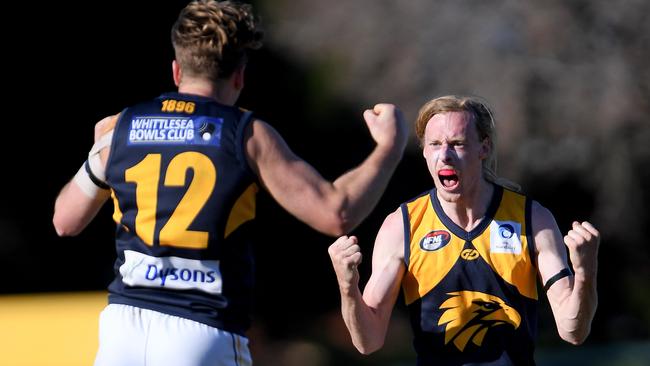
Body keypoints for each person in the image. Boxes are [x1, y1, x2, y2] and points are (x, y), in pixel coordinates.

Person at [52, 1, 408, 365]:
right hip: (201, 327)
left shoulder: (120, 128)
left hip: (121, 331)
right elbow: (337, 213)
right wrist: (389, 147)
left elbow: (64, 222)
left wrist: (96, 158)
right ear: (239, 75)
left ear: (176, 71)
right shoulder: (245, 134)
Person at [328, 95, 599, 365]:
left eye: (457, 144)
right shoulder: (402, 226)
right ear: (424, 150)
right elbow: (368, 341)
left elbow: (572, 330)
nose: (444, 155)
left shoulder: (532, 219)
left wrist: (585, 271)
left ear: (484, 148)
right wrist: (347, 285)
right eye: (435, 144)